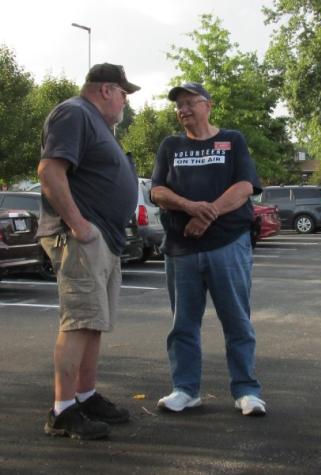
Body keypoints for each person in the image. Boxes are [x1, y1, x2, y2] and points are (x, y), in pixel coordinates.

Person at [37, 63, 140, 440]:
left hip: (104, 240)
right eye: (124, 93)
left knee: (93, 322)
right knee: (79, 321)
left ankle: (85, 395)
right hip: (81, 239)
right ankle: (62, 410)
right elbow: (50, 171)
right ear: (107, 90)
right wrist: (80, 226)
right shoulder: (75, 112)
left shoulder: (97, 124)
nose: (125, 101)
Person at [151, 82, 266, 416]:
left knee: (237, 321)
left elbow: (245, 187)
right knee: (183, 323)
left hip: (228, 244)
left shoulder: (232, 140)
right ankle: (185, 390)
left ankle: (246, 391)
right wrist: (189, 206)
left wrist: (206, 215)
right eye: (178, 106)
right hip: (180, 249)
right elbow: (157, 191)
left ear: (208, 105)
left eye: (189, 103)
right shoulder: (170, 145)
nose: (183, 110)